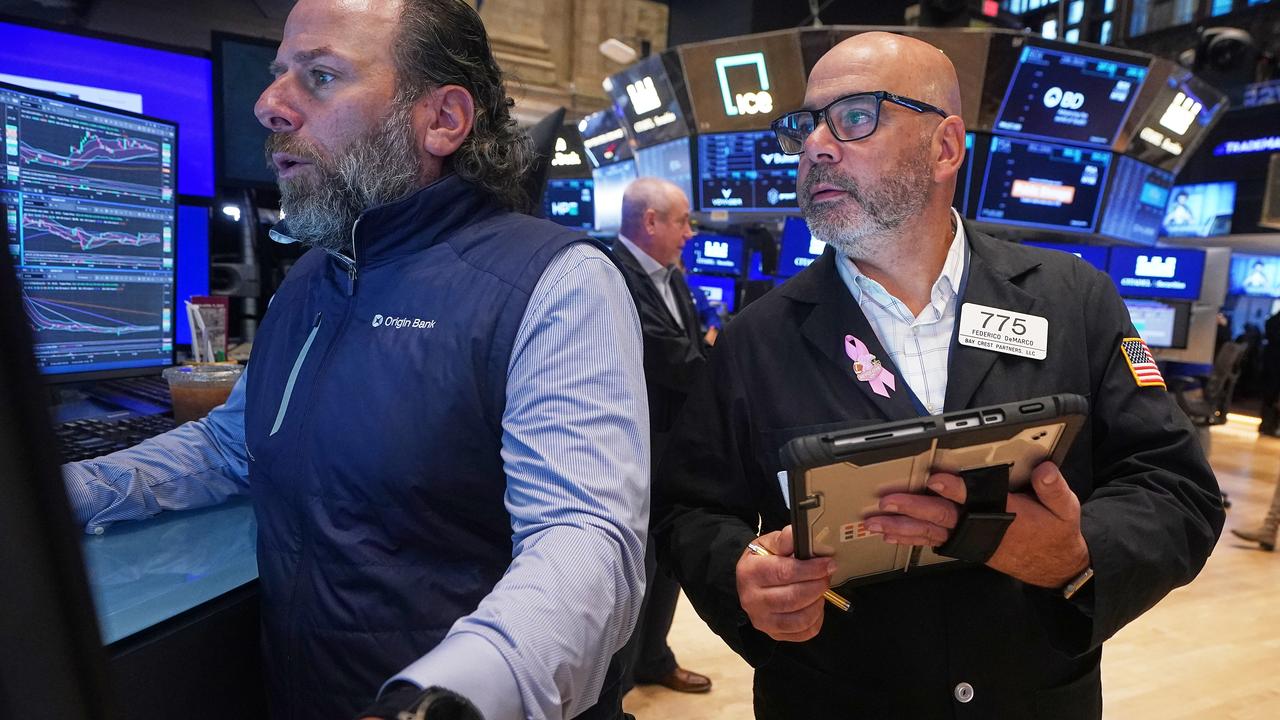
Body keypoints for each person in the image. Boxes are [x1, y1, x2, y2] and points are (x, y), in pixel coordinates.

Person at [61, 1, 649, 719]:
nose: (269, 105)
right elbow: (231, 446)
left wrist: (439, 700)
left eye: (319, 77)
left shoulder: (557, 284)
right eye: (279, 76)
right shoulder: (312, 278)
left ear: (442, 120)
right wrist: (67, 489)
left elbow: (583, 543)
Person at [654, 32, 1224, 719]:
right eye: (806, 126)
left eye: (856, 116)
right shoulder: (757, 338)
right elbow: (688, 508)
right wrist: (740, 573)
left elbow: (1176, 487)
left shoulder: (1075, 300)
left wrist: (1082, 554)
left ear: (946, 147)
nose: (816, 147)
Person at [609, 177, 713, 695]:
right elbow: (671, 358)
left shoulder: (668, 275)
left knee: (668, 556)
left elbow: (688, 344)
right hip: (632, 450)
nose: (690, 233)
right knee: (637, 568)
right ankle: (621, 684)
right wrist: (730, 363)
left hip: (673, 447)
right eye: (683, 221)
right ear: (651, 222)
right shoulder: (614, 275)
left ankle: (654, 657)